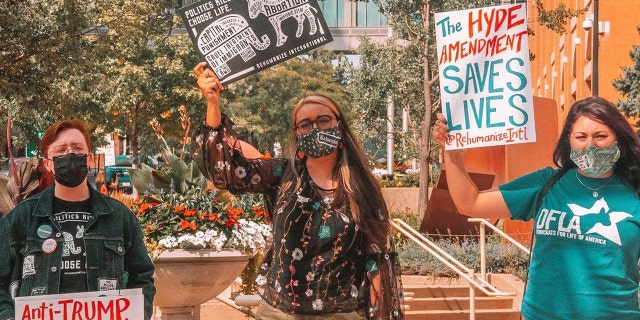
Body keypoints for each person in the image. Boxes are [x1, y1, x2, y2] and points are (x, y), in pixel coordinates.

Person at [191, 62, 404, 319]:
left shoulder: (362, 188)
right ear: (297, 133)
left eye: (323, 120)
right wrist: (212, 103)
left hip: (343, 312)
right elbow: (223, 172)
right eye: (305, 124)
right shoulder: (282, 175)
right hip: (281, 312)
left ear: (340, 126)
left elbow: (377, 260)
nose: (315, 128)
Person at [432, 96, 640, 320]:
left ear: (617, 139)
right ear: (569, 141)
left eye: (601, 136)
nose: (591, 145)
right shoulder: (546, 183)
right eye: (581, 137)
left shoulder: (634, 194)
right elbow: (470, 203)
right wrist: (451, 150)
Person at [0, 120, 155, 320]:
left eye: (77, 148)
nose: (70, 155)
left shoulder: (119, 216)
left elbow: (142, 277)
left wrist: (137, 314)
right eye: (61, 150)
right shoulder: (20, 219)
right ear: (47, 163)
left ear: (89, 158)